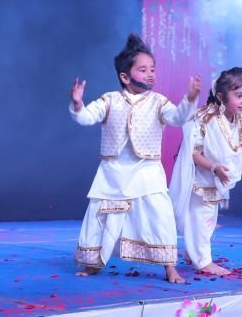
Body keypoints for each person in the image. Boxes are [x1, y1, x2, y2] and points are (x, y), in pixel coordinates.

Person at [69, 33, 200, 282]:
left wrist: (190, 99)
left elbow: (178, 118)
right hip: (113, 171)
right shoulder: (109, 100)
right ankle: (93, 262)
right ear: (125, 77)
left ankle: (169, 267)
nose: (150, 74)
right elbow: (86, 117)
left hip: (147, 170)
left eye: (152, 69)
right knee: (100, 217)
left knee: (160, 216)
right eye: (143, 69)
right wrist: (77, 104)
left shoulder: (159, 102)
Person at [170, 67, 242, 275]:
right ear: (221, 96)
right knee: (202, 218)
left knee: (207, 220)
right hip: (201, 178)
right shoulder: (206, 118)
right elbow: (194, 153)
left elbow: (237, 153)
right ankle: (203, 261)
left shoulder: (241, 121)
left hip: (217, 180)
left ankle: (194, 253)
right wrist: (214, 168)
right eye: (238, 96)